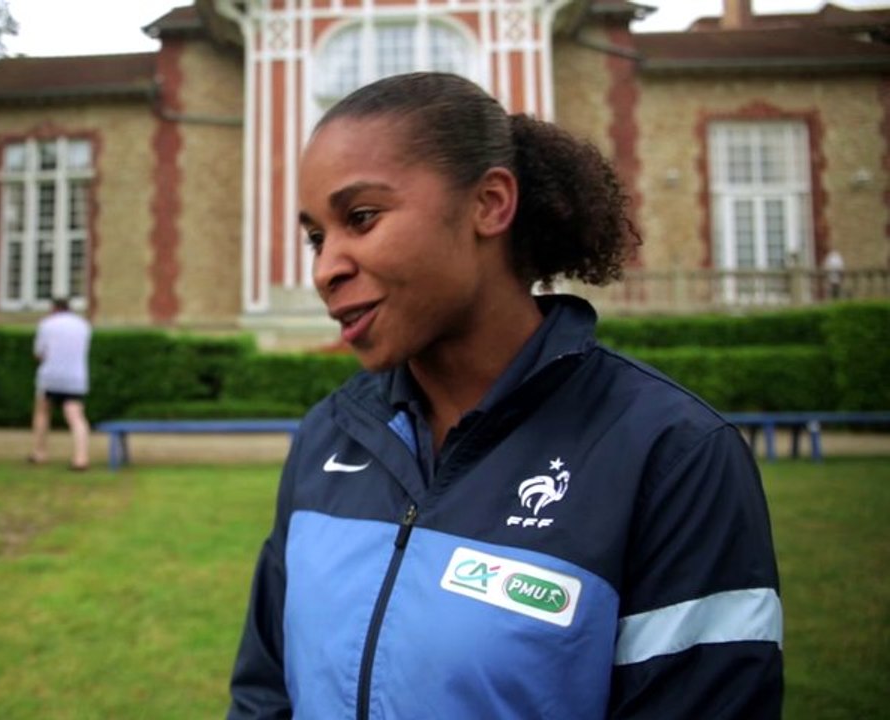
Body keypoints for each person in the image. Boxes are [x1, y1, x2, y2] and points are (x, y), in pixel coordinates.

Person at [226, 72, 782, 719]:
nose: (325, 268)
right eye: (317, 236)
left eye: (361, 217)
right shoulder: (329, 435)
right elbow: (265, 695)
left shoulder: (670, 454)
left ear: (489, 203)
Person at [30, 298, 91, 470]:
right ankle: (81, 457)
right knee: (76, 417)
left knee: (42, 412)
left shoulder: (46, 324)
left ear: (54, 308)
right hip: (75, 377)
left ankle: (39, 452)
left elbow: (39, 353)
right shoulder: (83, 325)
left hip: (51, 376)